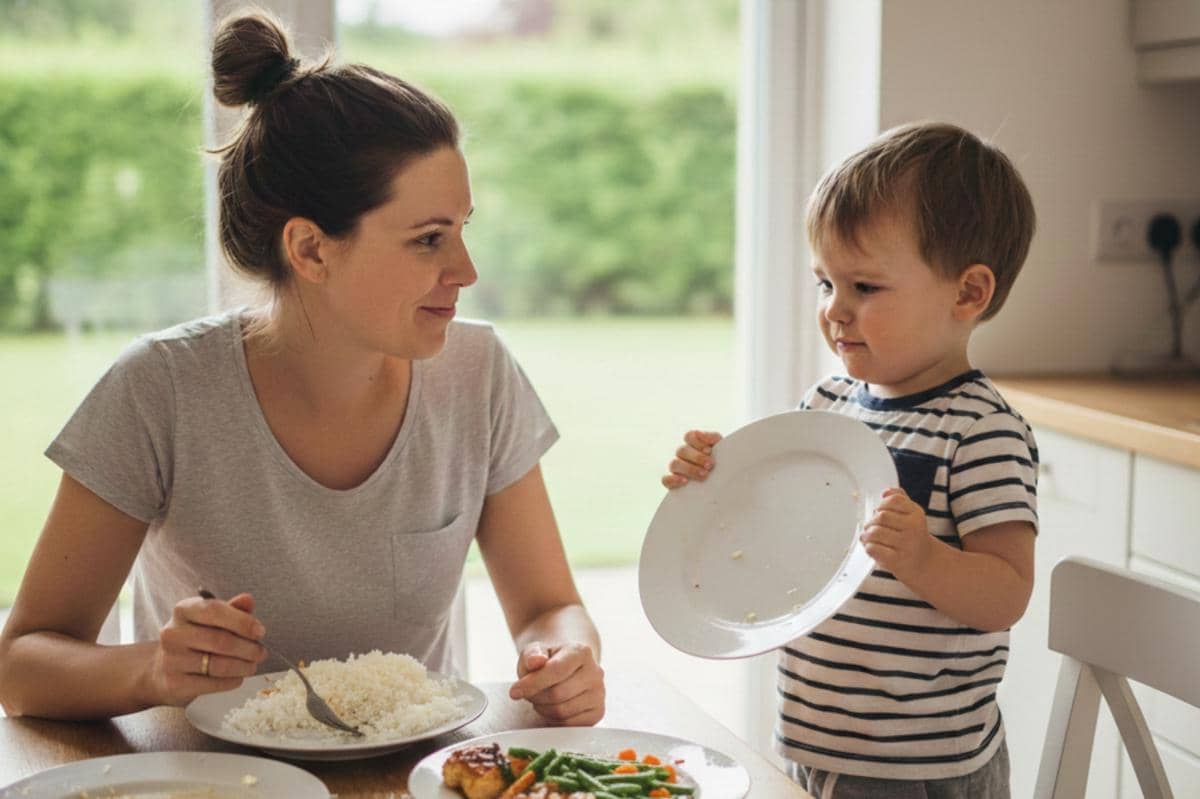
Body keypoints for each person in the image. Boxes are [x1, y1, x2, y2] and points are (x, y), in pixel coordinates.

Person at [0, 10, 604, 727]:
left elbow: (548, 606)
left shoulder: (481, 376)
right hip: (208, 782)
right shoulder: (158, 391)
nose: (465, 270)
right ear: (312, 250)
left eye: (463, 229)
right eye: (428, 239)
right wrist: (151, 669)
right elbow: (22, 663)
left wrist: (563, 655)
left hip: (410, 774)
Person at [663, 122, 1037, 798]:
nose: (835, 309)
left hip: (920, 766)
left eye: (864, 286)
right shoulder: (828, 402)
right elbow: (778, 532)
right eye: (823, 283)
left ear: (968, 294)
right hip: (816, 737)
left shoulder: (980, 431)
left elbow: (1006, 593)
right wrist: (715, 481)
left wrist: (925, 557)